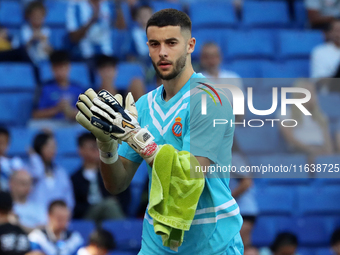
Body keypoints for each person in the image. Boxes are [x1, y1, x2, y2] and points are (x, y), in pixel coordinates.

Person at [76, 8, 243, 255]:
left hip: (212, 242)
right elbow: (117, 184)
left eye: (171, 43)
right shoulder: (142, 105)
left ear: (190, 45)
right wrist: (107, 147)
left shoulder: (211, 99)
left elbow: (192, 173)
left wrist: (136, 138)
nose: (162, 52)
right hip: (158, 242)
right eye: (154, 44)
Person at [71, 132, 128, 222]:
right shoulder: (75, 179)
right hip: (87, 216)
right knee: (109, 204)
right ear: (81, 150)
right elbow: (73, 205)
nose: (98, 150)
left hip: (110, 213)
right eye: (93, 147)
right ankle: (125, 232)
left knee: (111, 205)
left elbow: (124, 196)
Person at [278, 79, 334, 164]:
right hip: (300, 150)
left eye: (313, 92)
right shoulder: (286, 113)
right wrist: (311, 150)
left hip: (321, 150)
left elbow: (327, 140)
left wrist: (329, 155)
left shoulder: (321, 116)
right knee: (313, 161)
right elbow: (290, 138)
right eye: (309, 92)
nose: (313, 95)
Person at [28, 132, 74, 213]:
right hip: (37, 217)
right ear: (40, 147)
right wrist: (34, 157)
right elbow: (37, 173)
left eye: (54, 147)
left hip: (58, 216)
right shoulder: (29, 170)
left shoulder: (61, 172)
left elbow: (69, 198)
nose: (53, 150)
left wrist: (66, 212)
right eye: (48, 146)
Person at [32, 50, 84, 122]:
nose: (60, 71)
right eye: (57, 68)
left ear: (69, 67)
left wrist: (71, 112)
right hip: (51, 124)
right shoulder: (44, 88)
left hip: (72, 124)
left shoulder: (78, 89)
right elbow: (35, 115)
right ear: (52, 69)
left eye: (63, 67)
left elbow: (87, 114)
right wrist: (57, 109)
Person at [310, 19, 340, 92]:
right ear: (329, 33)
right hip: (330, 95)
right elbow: (319, 80)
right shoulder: (320, 52)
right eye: (337, 31)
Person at [0, 127, 25, 191]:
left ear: (9, 142)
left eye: (4, 142)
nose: (2, 146)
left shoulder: (16, 161)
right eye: (0, 142)